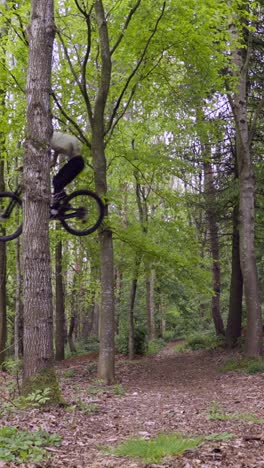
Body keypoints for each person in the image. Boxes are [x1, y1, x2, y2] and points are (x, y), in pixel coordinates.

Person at [50, 131, 84, 210]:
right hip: (77, 162)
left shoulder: (55, 142)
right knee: (57, 183)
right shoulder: (57, 145)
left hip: (76, 162)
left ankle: (65, 204)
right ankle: (57, 208)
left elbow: (66, 146)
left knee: (57, 181)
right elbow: (52, 163)